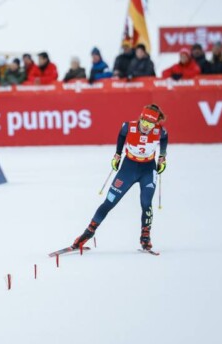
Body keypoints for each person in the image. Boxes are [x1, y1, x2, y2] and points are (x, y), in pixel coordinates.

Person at [70, 104, 168, 252]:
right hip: (128, 168)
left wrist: (162, 157)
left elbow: (164, 139)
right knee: (109, 202)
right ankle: (87, 234)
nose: (147, 127)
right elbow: (122, 136)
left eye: (151, 124)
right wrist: (117, 154)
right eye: (145, 123)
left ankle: (145, 238)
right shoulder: (128, 127)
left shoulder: (160, 131)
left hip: (148, 169)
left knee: (146, 203)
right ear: (140, 119)